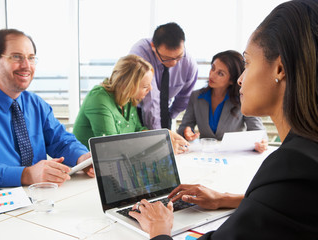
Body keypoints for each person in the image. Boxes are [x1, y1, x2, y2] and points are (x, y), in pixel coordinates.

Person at [129, 0, 318, 239]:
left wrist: (159, 229)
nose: (241, 79)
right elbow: (285, 204)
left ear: (280, 69)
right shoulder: (306, 155)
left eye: (247, 63)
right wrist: (224, 199)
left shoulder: (294, 166)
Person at [0, 29, 94, 188]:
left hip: (41, 198)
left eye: (31, 58)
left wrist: (82, 158)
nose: (26, 66)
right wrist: (26, 174)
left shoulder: (36, 104)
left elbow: (61, 141)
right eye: (16, 57)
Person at [73, 54, 188, 154]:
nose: (150, 89)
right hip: (87, 170)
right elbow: (111, 147)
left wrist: (162, 135)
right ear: (127, 86)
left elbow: (137, 130)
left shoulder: (128, 98)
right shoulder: (98, 98)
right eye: (145, 86)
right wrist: (160, 146)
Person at [177, 50, 268, 153]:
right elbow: (184, 127)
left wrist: (260, 144)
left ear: (232, 80)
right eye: (213, 68)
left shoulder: (244, 99)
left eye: (220, 73)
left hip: (234, 156)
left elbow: (259, 133)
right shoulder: (196, 96)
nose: (212, 75)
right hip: (205, 155)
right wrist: (186, 132)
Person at [129, 22, 199, 130]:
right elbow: (151, 99)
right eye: (167, 58)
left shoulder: (189, 63)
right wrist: (158, 135)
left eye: (179, 57)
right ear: (153, 46)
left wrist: (170, 115)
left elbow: (185, 96)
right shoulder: (140, 52)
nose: (174, 63)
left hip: (165, 112)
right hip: (137, 109)